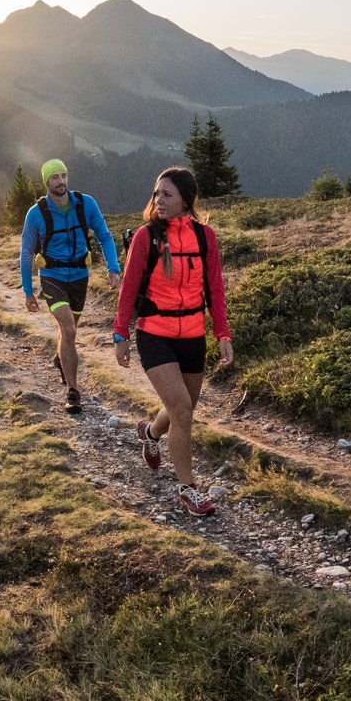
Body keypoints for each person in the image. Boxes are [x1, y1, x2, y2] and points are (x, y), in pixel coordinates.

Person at [113, 166, 234, 518]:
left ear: (186, 200)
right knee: (182, 410)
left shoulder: (204, 237)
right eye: (156, 194)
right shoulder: (145, 237)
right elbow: (128, 289)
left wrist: (222, 334)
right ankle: (187, 489)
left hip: (193, 334)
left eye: (167, 194)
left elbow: (215, 289)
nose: (158, 200)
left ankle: (151, 433)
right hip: (155, 334)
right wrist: (120, 334)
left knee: (184, 408)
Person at [19, 158, 121, 414]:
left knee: (70, 331)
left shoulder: (86, 204)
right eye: (55, 177)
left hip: (79, 276)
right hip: (52, 276)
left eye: (63, 175)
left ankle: (60, 358)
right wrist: (28, 291)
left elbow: (104, 235)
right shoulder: (36, 214)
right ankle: (73, 391)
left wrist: (113, 268)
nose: (61, 181)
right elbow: (26, 253)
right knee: (68, 328)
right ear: (46, 182)